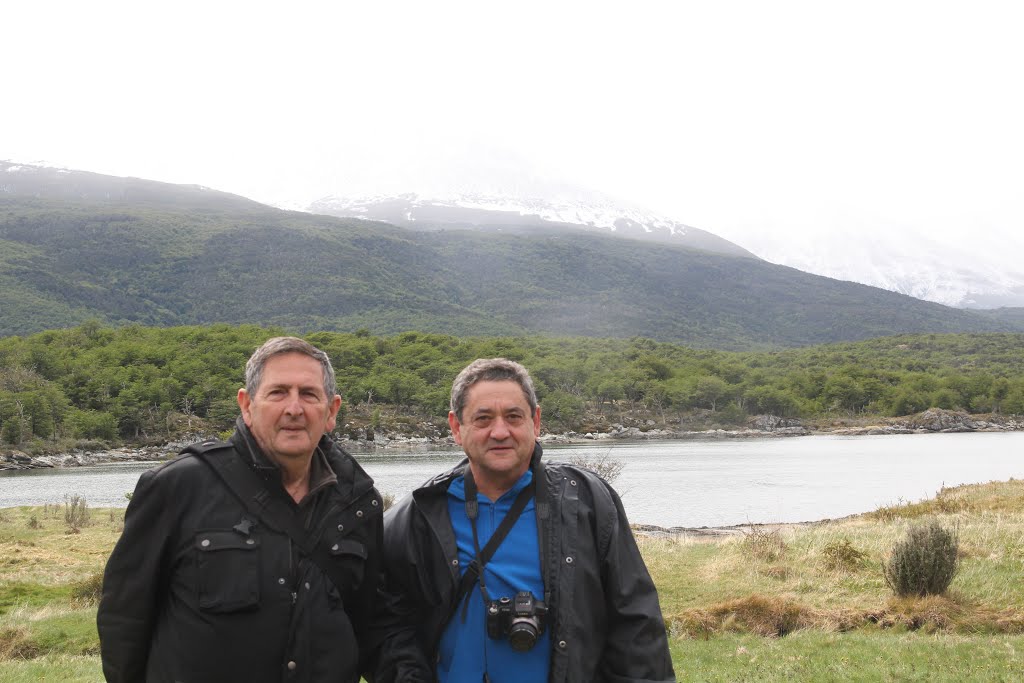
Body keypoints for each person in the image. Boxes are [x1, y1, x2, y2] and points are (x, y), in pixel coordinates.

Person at [98, 336, 383, 683]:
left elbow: (370, 626)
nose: (294, 408)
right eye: (278, 392)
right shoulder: (177, 487)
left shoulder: (358, 502)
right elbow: (125, 622)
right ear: (247, 406)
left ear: (331, 412)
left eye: (308, 394)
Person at [371, 358, 674, 682]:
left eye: (513, 416)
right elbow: (383, 623)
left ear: (536, 421)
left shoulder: (586, 502)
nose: (499, 431)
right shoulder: (419, 514)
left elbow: (637, 627)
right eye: (483, 418)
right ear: (457, 427)